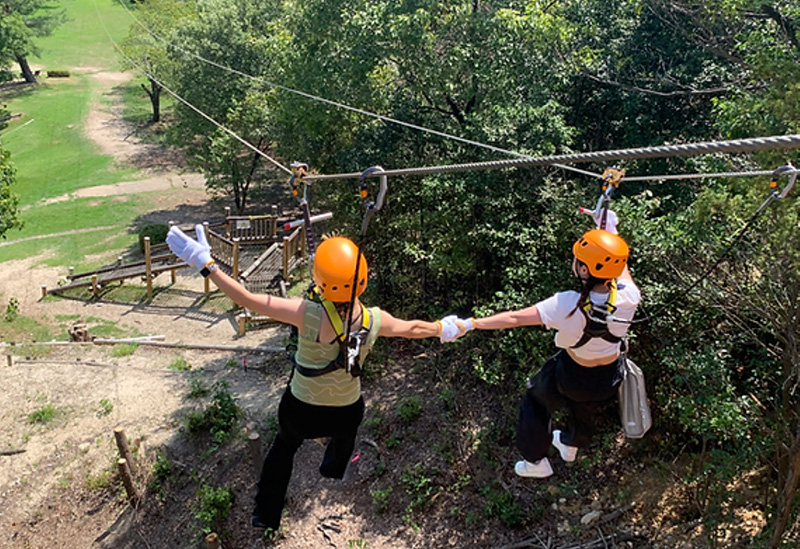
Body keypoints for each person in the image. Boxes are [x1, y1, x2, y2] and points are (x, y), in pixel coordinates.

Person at [166, 227, 460, 534]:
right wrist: (443, 327)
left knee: (283, 450)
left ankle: (266, 515)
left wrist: (206, 263)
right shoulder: (375, 319)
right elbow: (412, 328)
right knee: (348, 427)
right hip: (344, 411)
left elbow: (247, 299)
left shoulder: (305, 313)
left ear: (320, 282)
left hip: (301, 410)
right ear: (363, 279)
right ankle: (334, 468)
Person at [444, 211, 639, 478]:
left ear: (583, 270)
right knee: (585, 405)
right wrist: (609, 228)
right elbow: (620, 268)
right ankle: (570, 444)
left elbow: (514, 318)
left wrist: (471, 324)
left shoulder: (566, 304)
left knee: (536, 399)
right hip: (609, 378)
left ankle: (536, 462)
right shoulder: (630, 297)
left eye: (578, 261)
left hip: (572, 374)